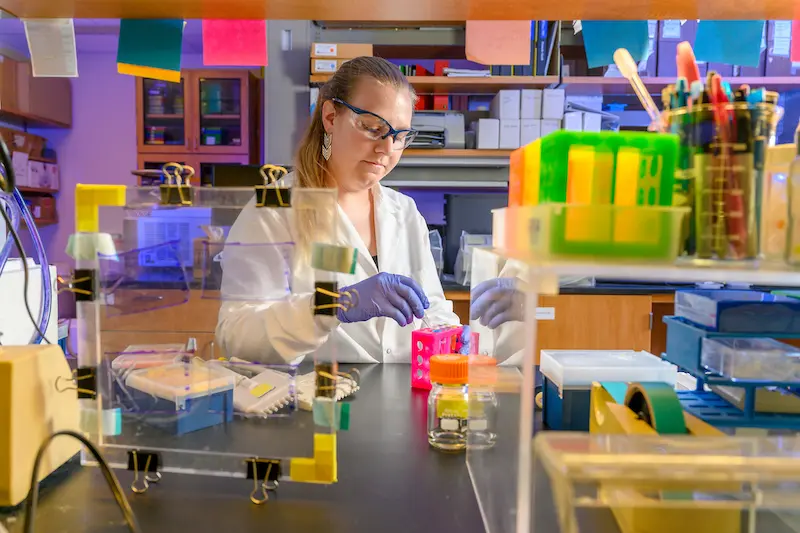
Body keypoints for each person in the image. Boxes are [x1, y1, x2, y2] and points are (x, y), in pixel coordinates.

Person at [216, 56, 462, 365]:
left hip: (400, 401)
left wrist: (450, 336)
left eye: (400, 137)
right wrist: (333, 306)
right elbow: (236, 336)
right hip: (314, 401)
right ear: (330, 117)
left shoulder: (405, 212)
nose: (387, 149)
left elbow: (431, 308)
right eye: (373, 128)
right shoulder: (275, 209)